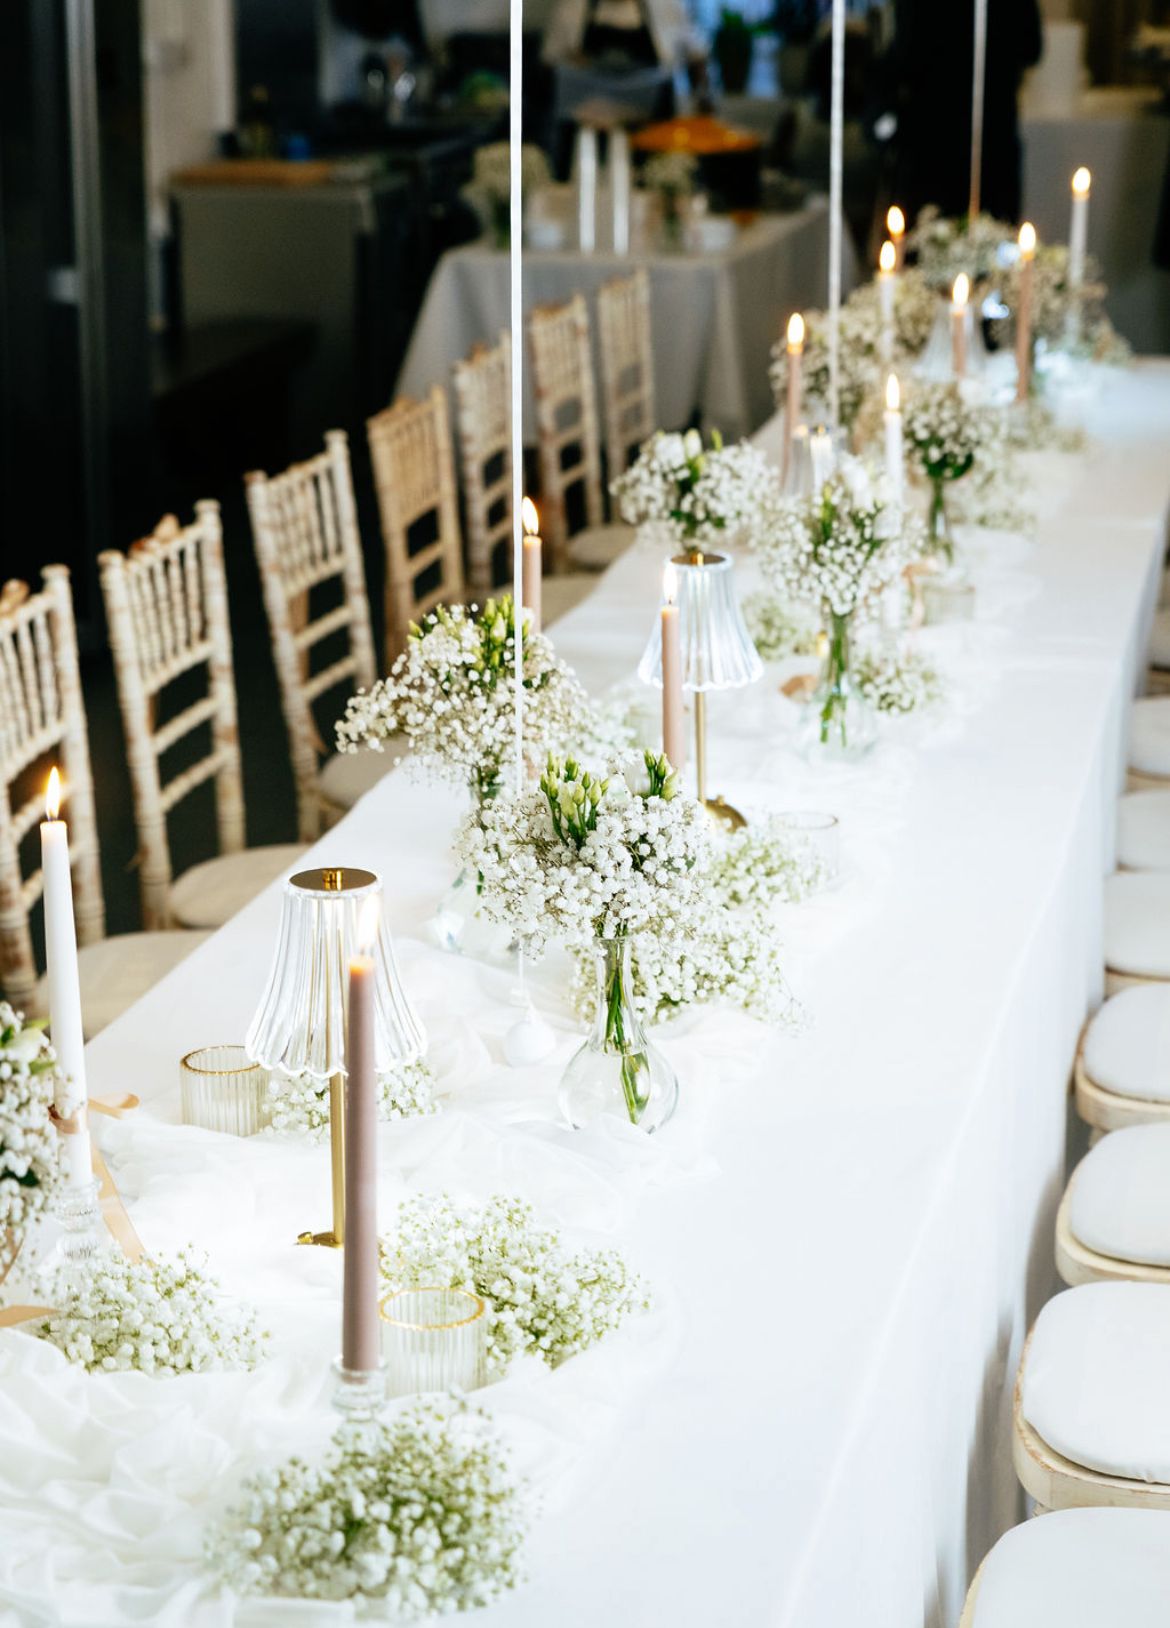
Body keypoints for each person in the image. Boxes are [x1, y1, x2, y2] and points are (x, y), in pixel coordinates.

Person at [891, 0, 1042, 224]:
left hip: (936, 135)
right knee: (987, 229)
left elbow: (903, 56)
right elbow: (1032, 48)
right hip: (989, 131)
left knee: (934, 230)